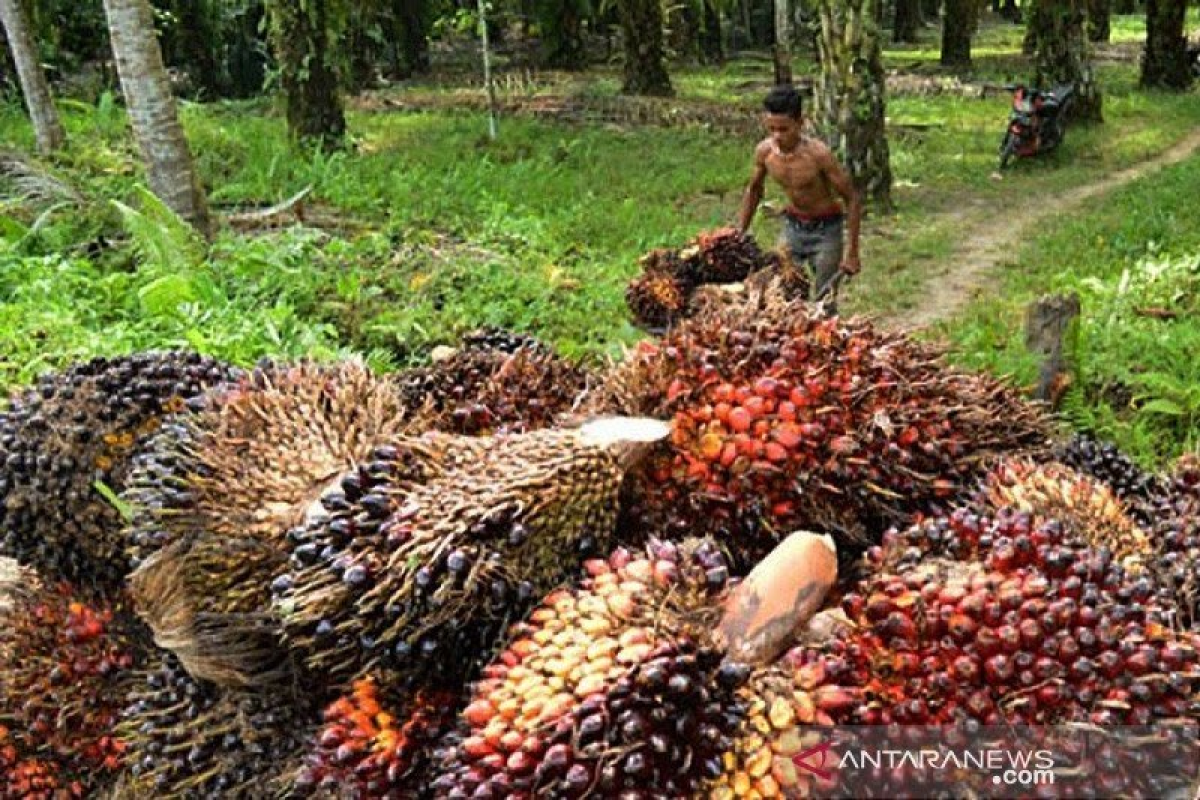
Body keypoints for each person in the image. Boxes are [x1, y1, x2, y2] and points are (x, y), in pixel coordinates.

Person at [736, 85, 862, 311]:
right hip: (792, 228)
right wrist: (739, 232)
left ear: (800, 123)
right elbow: (754, 190)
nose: (777, 136)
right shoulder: (765, 152)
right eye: (771, 128)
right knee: (779, 290)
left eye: (784, 129)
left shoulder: (819, 155)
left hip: (826, 231)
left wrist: (852, 252)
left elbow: (852, 198)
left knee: (824, 301)